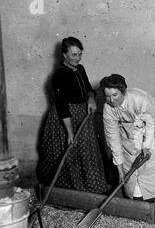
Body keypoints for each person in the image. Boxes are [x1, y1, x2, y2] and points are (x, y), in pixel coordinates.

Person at [38, 37, 107, 193]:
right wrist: (69, 132)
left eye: (80, 54)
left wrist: (91, 100)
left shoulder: (80, 69)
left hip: (82, 115)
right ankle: (64, 192)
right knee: (69, 153)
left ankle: (90, 189)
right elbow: (62, 106)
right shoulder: (59, 75)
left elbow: (89, 89)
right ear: (64, 55)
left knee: (86, 152)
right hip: (65, 119)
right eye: (74, 55)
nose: (78, 58)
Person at [101, 74, 155, 200]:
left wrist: (147, 146)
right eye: (107, 96)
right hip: (131, 130)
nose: (111, 100)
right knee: (130, 164)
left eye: (115, 95)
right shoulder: (108, 108)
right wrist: (119, 168)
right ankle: (136, 194)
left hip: (153, 124)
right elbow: (113, 138)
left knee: (151, 162)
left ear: (123, 92)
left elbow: (152, 122)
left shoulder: (138, 100)